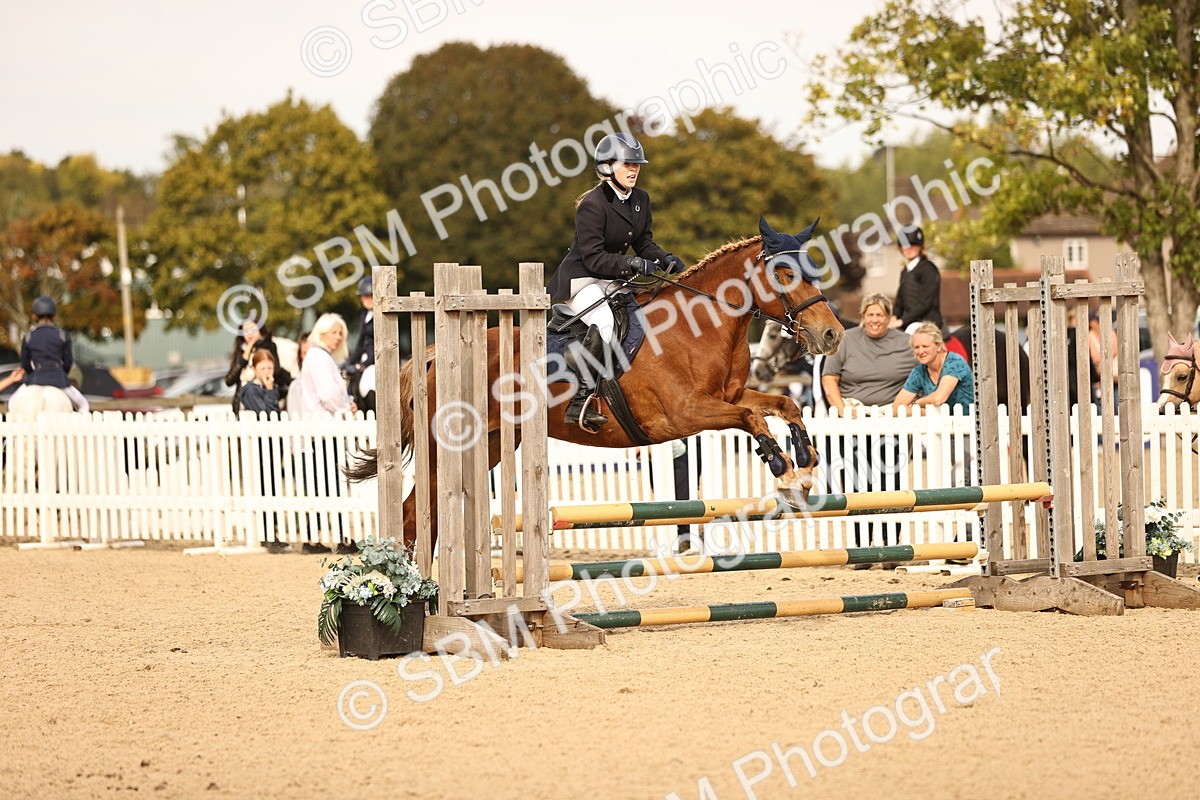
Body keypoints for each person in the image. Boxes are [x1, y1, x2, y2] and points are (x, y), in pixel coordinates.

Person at [546, 131, 686, 432]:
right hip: (581, 281)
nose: (634, 170)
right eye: (627, 164)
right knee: (605, 322)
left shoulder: (640, 199)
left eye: (636, 165)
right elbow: (594, 258)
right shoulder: (592, 204)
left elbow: (644, 243)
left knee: (646, 314)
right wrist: (633, 263)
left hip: (609, 280)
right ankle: (579, 401)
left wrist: (665, 258)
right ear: (607, 167)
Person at [821, 294, 917, 550]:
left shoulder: (905, 342)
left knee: (891, 483)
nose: (875, 320)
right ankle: (861, 544)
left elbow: (924, 371)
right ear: (863, 316)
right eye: (870, 314)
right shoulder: (846, 340)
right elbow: (830, 378)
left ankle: (890, 542)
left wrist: (916, 403)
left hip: (892, 421)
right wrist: (841, 409)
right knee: (857, 482)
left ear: (889, 317)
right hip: (856, 420)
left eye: (880, 315)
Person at [296, 314, 356, 555]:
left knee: (322, 483)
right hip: (324, 429)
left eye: (340, 333)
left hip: (320, 428)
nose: (338, 337)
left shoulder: (318, 356)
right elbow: (328, 393)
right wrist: (346, 406)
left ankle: (317, 538)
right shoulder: (319, 358)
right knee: (331, 483)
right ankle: (340, 537)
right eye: (334, 332)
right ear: (321, 333)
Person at [19, 295, 88, 412]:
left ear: (34, 316)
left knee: (12, 403)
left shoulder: (28, 337)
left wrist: (33, 374)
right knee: (84, 406)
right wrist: (61, 373)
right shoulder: (62, 335)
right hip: (59, 379)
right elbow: (68, 362)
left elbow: (25, 363)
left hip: (36, 378)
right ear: (54, 316)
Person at [893, 322, 975, 413]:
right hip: (937, 420)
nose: (920, 351)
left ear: (939, 346)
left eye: (925, 346)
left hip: (969, 419)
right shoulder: (918, 371)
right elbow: (897, 408)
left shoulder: (954, 362)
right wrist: (923, 413)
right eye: (916, 347)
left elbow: (939, 398)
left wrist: (917, 403)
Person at [225, 319, 291, 411]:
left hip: (263, 396)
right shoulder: (241, 350)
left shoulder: (269, 346)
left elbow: (276, 370)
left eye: (253, 330)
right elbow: (229, 380)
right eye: (246, 331)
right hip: (243, 402)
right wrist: (246, 355)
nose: (250, 334)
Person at [889, 225, 943, 330]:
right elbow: (899, 301)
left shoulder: (928, 269)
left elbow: (925, 303)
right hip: (909, 321)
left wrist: (902, 321)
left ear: (921, 247)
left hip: (928, 322)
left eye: (913, 245)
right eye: (905, 245)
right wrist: (894, 317)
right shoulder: (905, 271)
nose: (909, 249)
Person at [344, 276, 375, 397]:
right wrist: (350, 362)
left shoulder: (381, 317)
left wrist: (364, 365)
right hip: (365, 358)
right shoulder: (364, 315)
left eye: (371, 295)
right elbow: (361, 342)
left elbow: (380, 346)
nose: (368, 299)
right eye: (365, 296)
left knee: (365, 386)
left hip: (376, 361)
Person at [240, 349, 280, 415]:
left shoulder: (274, 386)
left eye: (270, 368)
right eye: (262, 369)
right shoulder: (251, 390)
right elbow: (266, 414)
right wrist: (270, 390)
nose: (267, 372)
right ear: (254, 369)